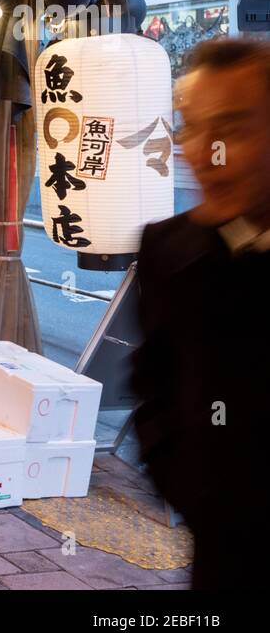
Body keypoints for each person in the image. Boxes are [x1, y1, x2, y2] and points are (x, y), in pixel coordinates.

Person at [133, 34, 270, 589]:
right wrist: (193, 491)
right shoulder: (169, 250)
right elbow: (153, 386)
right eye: (191, 126)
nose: (203, 151)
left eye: (232, 128)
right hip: (222, 559)